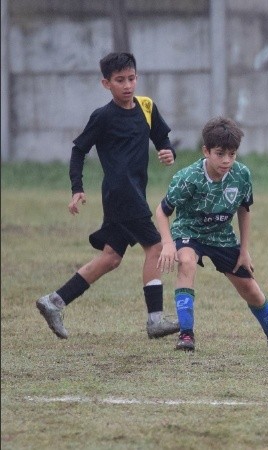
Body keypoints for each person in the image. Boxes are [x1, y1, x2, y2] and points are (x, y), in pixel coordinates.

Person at [36, 52, 180, 340]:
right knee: (155, 247)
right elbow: (79, 150)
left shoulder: (146, 106)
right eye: (119, 80)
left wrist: (168, 152)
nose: (127, 85)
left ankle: (53, 302)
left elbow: (162, 138)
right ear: (106, 83)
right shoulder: (102, 117)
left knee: (111, 258)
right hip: (121, 194)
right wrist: (77, 188)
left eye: (131, 78)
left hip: (132, 192)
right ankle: (155, 321)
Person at [155, 116, 268, 353]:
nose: (226, 160)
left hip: (222, 236)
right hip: (189, 232)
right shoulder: (188, 178)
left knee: (250, 289)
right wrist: (168, 243)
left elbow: (244, 210)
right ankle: (186, 335)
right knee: (187, 262)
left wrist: (244, 250)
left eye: (232, 154)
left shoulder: (241, 175)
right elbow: (162, 211)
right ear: (206, 151)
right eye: (220, 154)